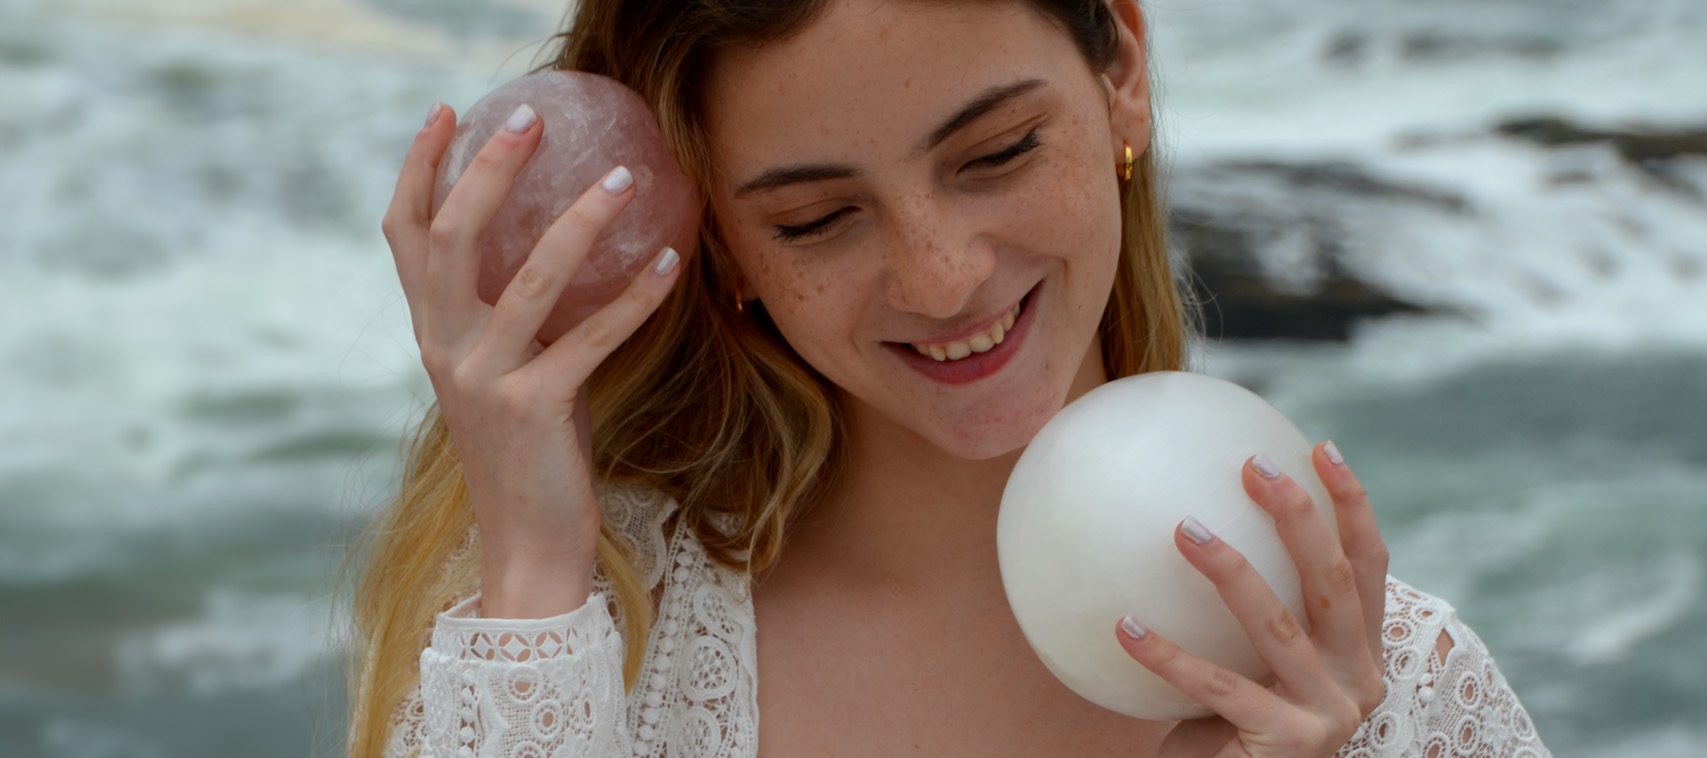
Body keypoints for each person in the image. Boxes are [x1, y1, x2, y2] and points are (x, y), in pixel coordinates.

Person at [349, 0, 1549, 756]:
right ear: (722, 245)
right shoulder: (573, 652)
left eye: (996, 152)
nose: (940, 276)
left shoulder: (1395, 695)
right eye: (818, 218)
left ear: (1119, 67)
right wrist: (530, 560)